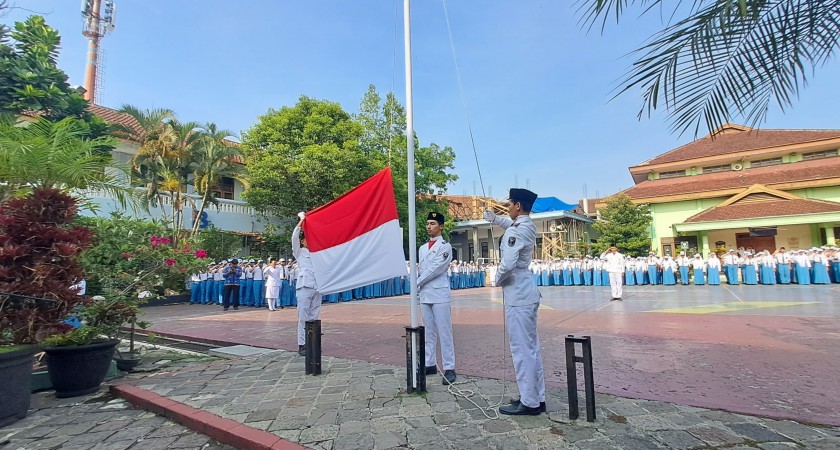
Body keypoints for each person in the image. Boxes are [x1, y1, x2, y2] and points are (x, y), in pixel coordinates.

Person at [484, 188, 546, 416]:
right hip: (525, 290)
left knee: (521, 350)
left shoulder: (518, 231)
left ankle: (529, 402)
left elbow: (508, 264)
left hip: (518, 292)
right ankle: (536, 396)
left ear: (518, 206)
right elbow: (511, 226)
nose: (507, 207)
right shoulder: (525, 225)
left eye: (509, 204)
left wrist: (495, 279)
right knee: (531, 349)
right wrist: (495, 219)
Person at [417, 211, 456, 384]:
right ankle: (430, 363)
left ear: (441, 226)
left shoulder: (445, 246)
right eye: (428, 223)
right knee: (429, 331)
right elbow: (422, 268)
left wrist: (416, 282)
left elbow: (436, 269)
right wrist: (419, 284)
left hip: (439, 293)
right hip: (425, 293)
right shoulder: (422, 248)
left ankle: (449, 367)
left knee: (444, 331)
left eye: (433, 223)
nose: (429, 227)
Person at [293, 212, 320, 356]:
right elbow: (294, 237)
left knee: (314, 317)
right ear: (302, 241)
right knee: (303, 317)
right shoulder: (299, 252)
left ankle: (313, 343)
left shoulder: (317, 254)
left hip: (317, 287)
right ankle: (302, 344)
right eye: (307, 239)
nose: (309, 241)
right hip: (304, 286)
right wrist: (301, 221)